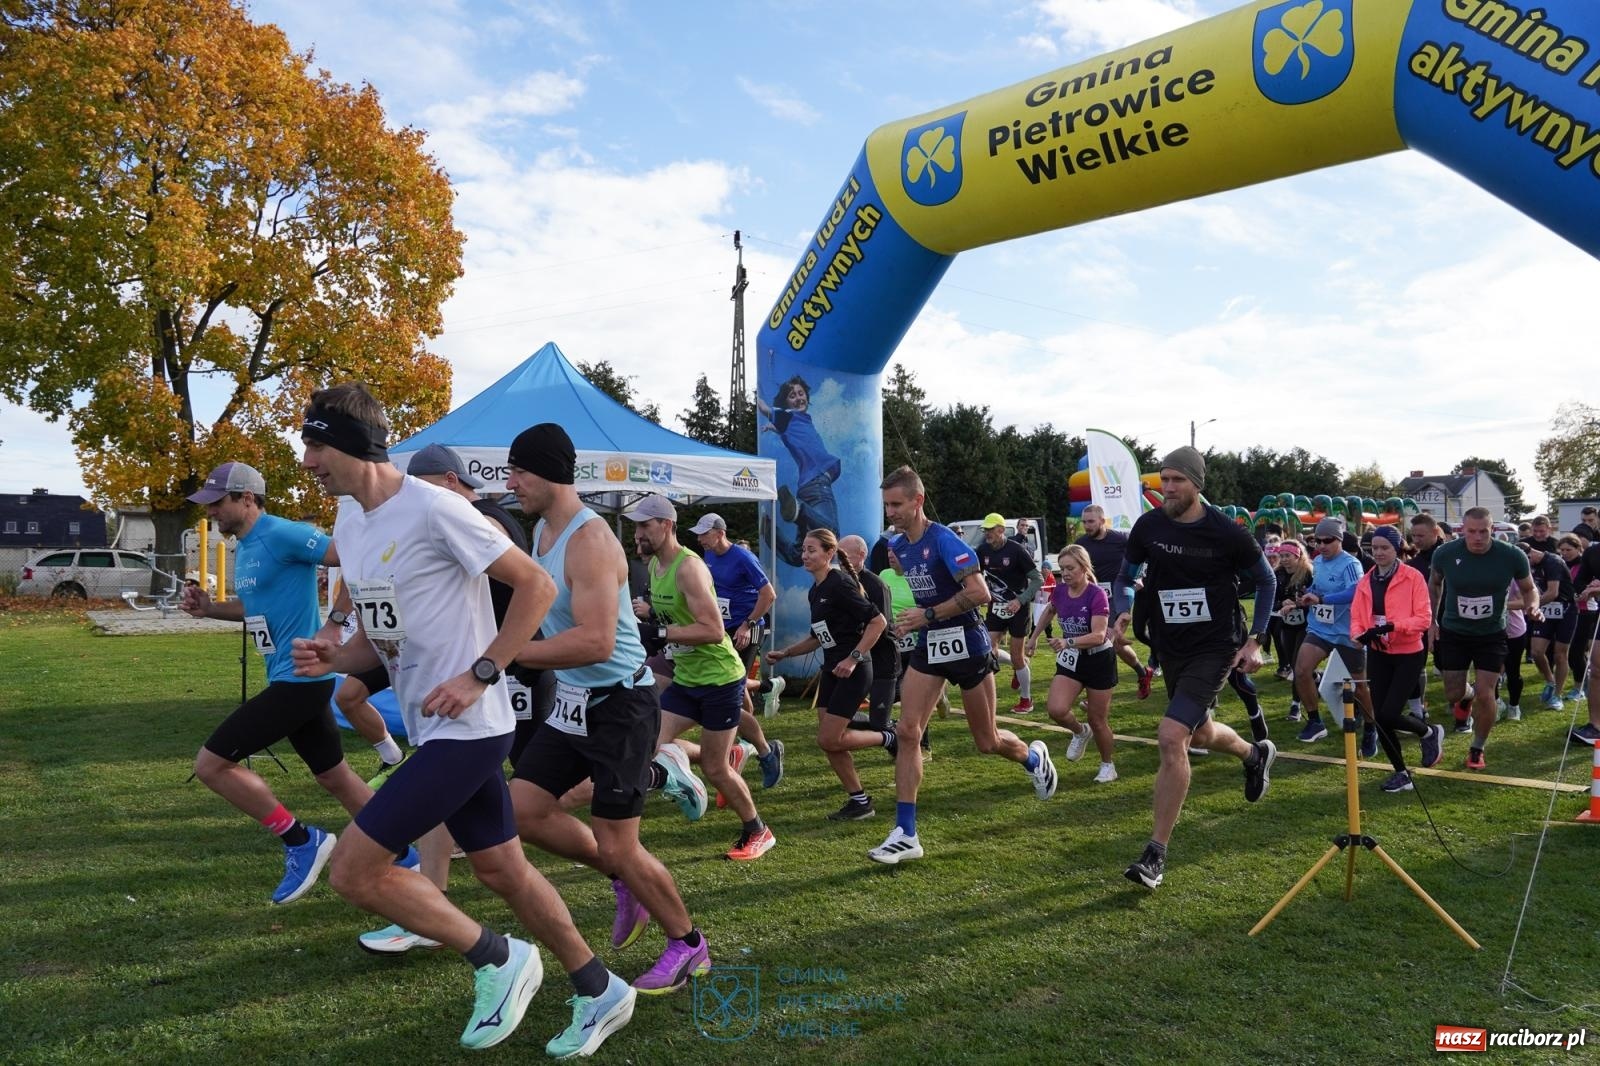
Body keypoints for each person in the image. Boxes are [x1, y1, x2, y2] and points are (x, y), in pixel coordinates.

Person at [291, 383, 634, 1055]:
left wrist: (483, 671)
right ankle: (601, 989)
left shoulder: (434, 509)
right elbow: (381, 640)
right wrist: (334, 655)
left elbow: (537, 587)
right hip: (434, 725)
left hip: (471, 727)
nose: (308, 461)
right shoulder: (351, 524)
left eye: (317, 445)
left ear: (356, 446)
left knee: (355, 872)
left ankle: (498, 958)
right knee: (504, 872)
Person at [502, 423, 709, 1008]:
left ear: (548, 473)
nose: (512, 482)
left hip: (620, 704)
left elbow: (595, 641)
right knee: (523, 810)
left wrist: (507, 655)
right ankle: (626, 880)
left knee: (621, 845)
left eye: (519, 471)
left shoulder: (590, 540)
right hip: (572, 700)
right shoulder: (543, 528)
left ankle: (689, 942)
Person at [181, 461, 399, 906]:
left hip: (299, 681)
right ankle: (407, 854)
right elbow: (253, 607)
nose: (212, 514)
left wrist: (335, 624)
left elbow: (356, 563)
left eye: (218, 503)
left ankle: (302, 840)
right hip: (294, 677)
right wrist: (208, 608)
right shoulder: (246, 547)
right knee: (335, 776)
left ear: (247, 498)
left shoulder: (282, 532)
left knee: (211, 764)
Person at [870, 466, 1059, 865]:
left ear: (918, 501)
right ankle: (906, 833)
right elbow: (919, 578)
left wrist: (928, 615)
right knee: (907, 731)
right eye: (887, 505)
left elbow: (981, 593)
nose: (890, 512)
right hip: (930, 648)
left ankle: (1033, 759)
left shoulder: (944, 541)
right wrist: (914, 607)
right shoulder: (901, 545)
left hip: (969, 647)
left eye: (897, 504)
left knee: (986, 741)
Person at [1110, 447, 1276, 890]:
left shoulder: (1227, 532)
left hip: (1216, 646)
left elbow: (1266, 580)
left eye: (1177, 481)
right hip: (1170, 644)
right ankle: (1254, 753)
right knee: (1198, 732)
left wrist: (1256, 639)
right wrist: (1121, 611)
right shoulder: (1150, 525)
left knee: (1170, 736)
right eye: (1164, 480)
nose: (1168, 488)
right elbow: (1125, 577)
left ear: (1198, 484)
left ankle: (1155, 854)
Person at [627, 494, 776, 861]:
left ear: (667, 525)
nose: (638, 534)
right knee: (646, 741)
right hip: (688, 679)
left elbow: (711, 630)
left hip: (719, 679)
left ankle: (758, 831)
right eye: (636, 526)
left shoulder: (688, 567)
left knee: (715, 768)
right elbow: (673, 621)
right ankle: (686, 766)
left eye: (645, 526)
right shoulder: (657, 568)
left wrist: (660, 635)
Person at [768, 528, 895, 820]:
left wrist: (853, 658)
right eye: (803, 550)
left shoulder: (839, 583)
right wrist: (786, 653)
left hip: (854, 669)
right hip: (831, 669)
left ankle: (890, 738)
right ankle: (860, 801)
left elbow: (878, 622)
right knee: (830, 740)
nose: (804, 556)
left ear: (829, 554)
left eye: (811, 550)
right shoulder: (816, 589)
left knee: (828, 739)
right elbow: (818, 637)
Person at [1428, 507, 1541, 771]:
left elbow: (1529, 588)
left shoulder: (1511, 555)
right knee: (1453, 692)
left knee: (1486, 692)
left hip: (1491, 634)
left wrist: (1533, 606)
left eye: (1483, 531)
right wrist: (1432, 620)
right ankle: (1465, 698)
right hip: (1455, 631)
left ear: (1492, 530)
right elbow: (1435, 583)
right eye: (1471, 532)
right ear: (1462, 530)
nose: (1477, 537)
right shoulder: (1445, 553)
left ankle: (1477, 747)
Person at [688, 512, 785, 794]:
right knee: (734, 694)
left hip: (747, 628)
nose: (700, 539)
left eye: (704, 533)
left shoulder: (743, 557)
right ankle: (755, 747)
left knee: (733, 689)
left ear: (720, 533)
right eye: (699, 534)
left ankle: (760, 750)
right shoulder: (705, 557)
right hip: (721, 629)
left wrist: (748, 624)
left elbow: (769, 595)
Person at [1350, 526, 1445, 793]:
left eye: (1384, 548)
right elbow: (1357, 616)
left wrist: (1393, 626)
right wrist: (1359, 634)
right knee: (1379, 717)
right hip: (1379, 652)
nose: (1378, 553)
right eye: (1374, 548)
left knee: (1389, 713)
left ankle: (1428, 732)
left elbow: (1423, 619)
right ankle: (1401, 772)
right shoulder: (1366, 581)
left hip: (1409, 653)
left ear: (1396, 549)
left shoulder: (1412, 577)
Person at [1027, 544, 1119, 783]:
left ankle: (1108, 765)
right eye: (1062, 568)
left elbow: (1099, 635)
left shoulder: (1096, 594)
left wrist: (1068, 641)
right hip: (1073, 659)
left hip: (1099, 659)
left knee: (1098, 720)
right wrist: (1034, 637)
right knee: (1056, 709)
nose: (1065, 573)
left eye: (1070, 568)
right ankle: (1080, 732)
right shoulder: (1059, 590)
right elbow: (1050, 610)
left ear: (1083, 568)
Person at [1291, 516, 1377, 757]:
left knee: (1360, 687)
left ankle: (1371, 728)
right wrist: (1305, 596)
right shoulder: (1318, 561)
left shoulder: (1350, 563)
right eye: (1317, 540)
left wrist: (1323, 599)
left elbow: (1355, 592)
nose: (1321, 545)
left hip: (1348, 632)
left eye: (1327, 540)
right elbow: (1318, 589)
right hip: (1321, 628)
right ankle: (1315, 721)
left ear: (1338, 540)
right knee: (1301, 670)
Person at [758, 376, 840, 568]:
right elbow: (765, 409)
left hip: (806, 488)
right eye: (792, 396)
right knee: (832, 535)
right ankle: (799, 509)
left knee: (797, 555)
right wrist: (760, 402)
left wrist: (777, 429)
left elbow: (793, 434)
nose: (798, 398)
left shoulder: (795, 421)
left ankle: (769, 530)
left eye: (801, 393)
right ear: (786, 402)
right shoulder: (788, 415)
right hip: (818, 483)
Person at [1076, 504, 1156, 697]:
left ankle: (1098, 694)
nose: (1087, 526)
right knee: (1118, 646)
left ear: (1103, 521)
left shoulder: (1121, 540)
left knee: (1104, 643)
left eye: (1091, 521)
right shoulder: (1081, 544)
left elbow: (1142, 557)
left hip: (1116, 599)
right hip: (1092, 599)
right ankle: (1143, 672)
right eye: (1084, 522)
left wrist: (1138, 578)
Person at [977, 512, 1044, 713]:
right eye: (985, 530)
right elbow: (976, 576)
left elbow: (1038, 579)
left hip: (1018, 609)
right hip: (996, 608)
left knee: (1017, 655)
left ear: (1001, 529)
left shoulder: (1016, 551)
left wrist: (1020, 600)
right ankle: (1015, 668)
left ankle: (1026, 699)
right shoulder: (982, 550)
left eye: (990, 530)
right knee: (988, 649)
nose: (987, 533)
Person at [1524, 539, 1578, 710]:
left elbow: (1552, 593)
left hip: (1566, 609)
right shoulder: (1529, 564)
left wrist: (1530, 605)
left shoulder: (1553, 561)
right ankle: (1550, 681)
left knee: (1560, 654)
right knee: (1537, 652)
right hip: (1546, 610)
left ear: (1530, 554)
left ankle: (1557, 696)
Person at [1272, 541, 1313, 695]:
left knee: (1298, 665)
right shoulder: (1277, 574)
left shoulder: (1308, 573)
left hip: (1306, 624)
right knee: (1292, 662)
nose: (1284, 559)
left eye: (1287, 555)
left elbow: (1314, 597)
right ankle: (1315, 679)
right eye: (1281, 556)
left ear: (1297, 556)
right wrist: (1282, 602)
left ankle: (1295, 704)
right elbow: (1270, 599)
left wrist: (1296, 604)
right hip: (1286, 624)